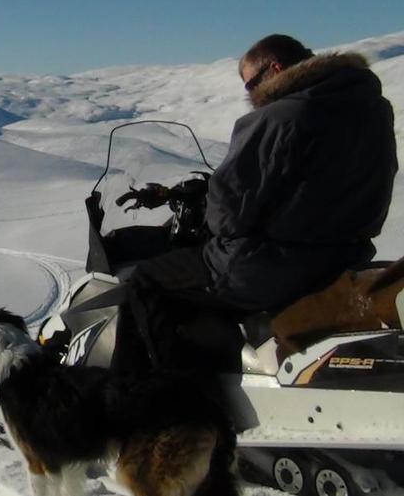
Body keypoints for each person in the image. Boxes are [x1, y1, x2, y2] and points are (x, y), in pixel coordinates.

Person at [111, 34, 398, 374]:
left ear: (275, 69)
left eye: (250, 86)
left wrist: (216, 211)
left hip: (271, 268)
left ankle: (157, 402)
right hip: (345, 256)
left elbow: (229, 212)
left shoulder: (283, 115)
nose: (251, 97)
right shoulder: (371, 106)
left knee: (144, 283)